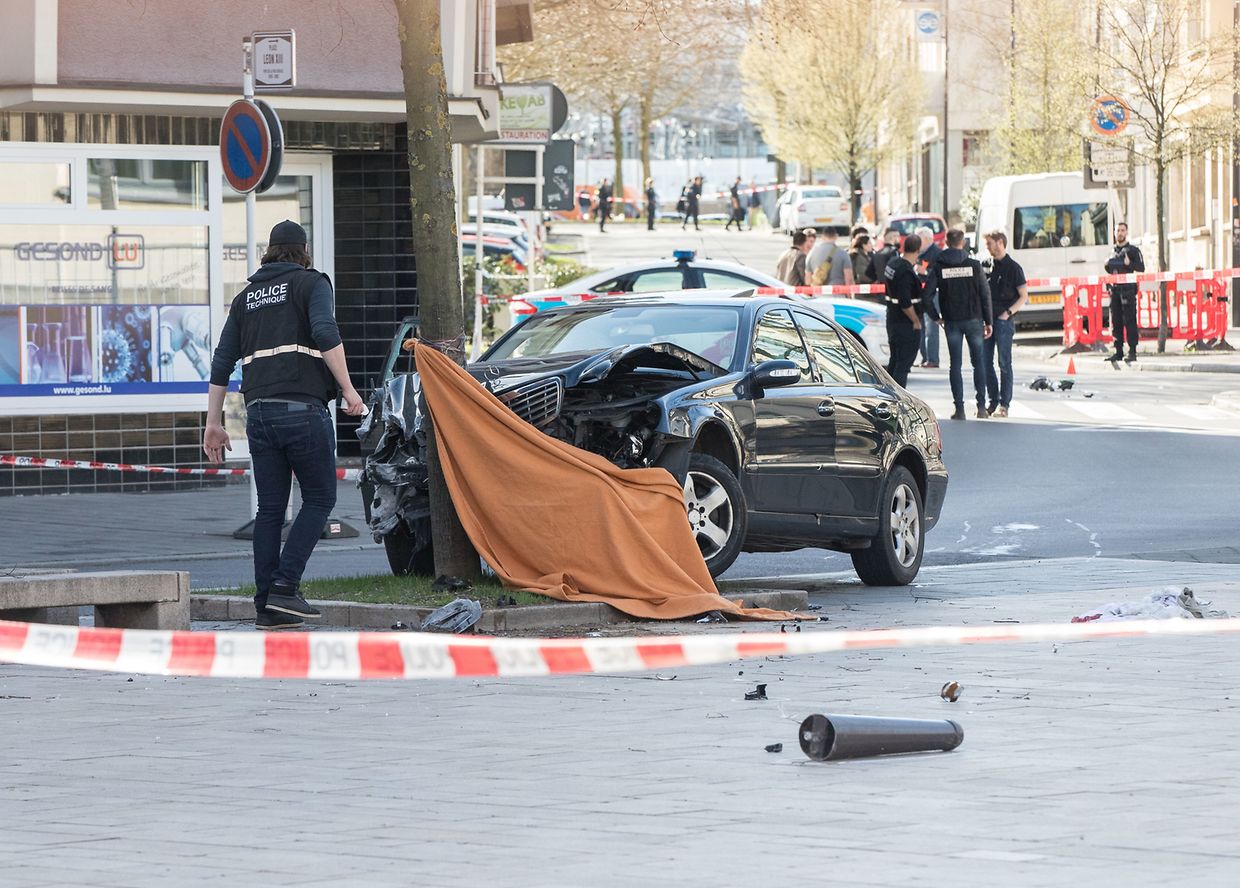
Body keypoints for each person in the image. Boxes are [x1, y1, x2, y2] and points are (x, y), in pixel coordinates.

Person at [204, 220, 365, 630]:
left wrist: (213, 423)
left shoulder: (246, 298)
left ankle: (266, 608)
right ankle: (285, 587)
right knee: (319, 499)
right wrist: (349, 390)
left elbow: (223, 361)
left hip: (258, 414)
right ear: (303, 250)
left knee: (270, 509)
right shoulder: (312, 284)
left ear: (269, 253)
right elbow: (325, 332)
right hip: (302, 410)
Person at [924, 228, 993, 420]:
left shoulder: (939, 266)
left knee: (955, 365)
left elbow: (926, 296)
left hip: (952, 321)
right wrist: (989, 321)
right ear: (962, 243)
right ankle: (981, 407)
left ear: (946, 243)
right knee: (978, 362)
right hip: (974, 319)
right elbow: (985, 294)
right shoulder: (974, 265)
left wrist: (936, 316)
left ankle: (960, 409)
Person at [982, 230, 1029, 418]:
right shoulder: (985, 265)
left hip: (1003, 321)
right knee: (985, 363)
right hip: (986, 320)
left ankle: (1004, 404)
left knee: (1004, 363)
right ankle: (992, 402)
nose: (987, 248)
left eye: (989, 244)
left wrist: (1007, 313)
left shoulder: (1013, 268)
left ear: (1000, 242)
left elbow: (1023, 295)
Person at [883, 234, 924, 387]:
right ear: (918, 250)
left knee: (895, 361)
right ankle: (897, 402)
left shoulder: (893, 264)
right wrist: (916, 321)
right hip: (905, 324)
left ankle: (888, 398)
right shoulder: (905, 272)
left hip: (892, 320)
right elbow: (905, 302)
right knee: (903, 365)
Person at [1106, 222, 1145, 364]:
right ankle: (1118, 351)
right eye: (1118, 231)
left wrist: (1130, 264)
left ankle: (1132, 351)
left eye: (1122, 230)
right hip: (1115, 290)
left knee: (1130, 321)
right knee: (1116, 321)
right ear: (1115, 233)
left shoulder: (1133, 250)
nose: (1120, 233)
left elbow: (1141, 268)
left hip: (1128, 290)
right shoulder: (1112, 251)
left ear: (1126, 232)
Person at [916, 225, 942, 368]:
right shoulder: (920, 253)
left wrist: (925, 272)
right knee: (921, 327)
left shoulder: (937, 253)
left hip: (933, 293)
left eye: (919, 239)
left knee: (931, 326)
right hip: (921, 292)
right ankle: (925, 357)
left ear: (926, 239)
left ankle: (932, 358)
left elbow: (939, 273)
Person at [864, 227, 901, 302]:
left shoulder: (877, 253)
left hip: (881, 291)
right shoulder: (894, 252)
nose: (900, 239)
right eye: (898, 236)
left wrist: (879, 278)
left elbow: (868, 272)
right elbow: (897, 270)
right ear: (893, 237)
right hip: (893, 291)